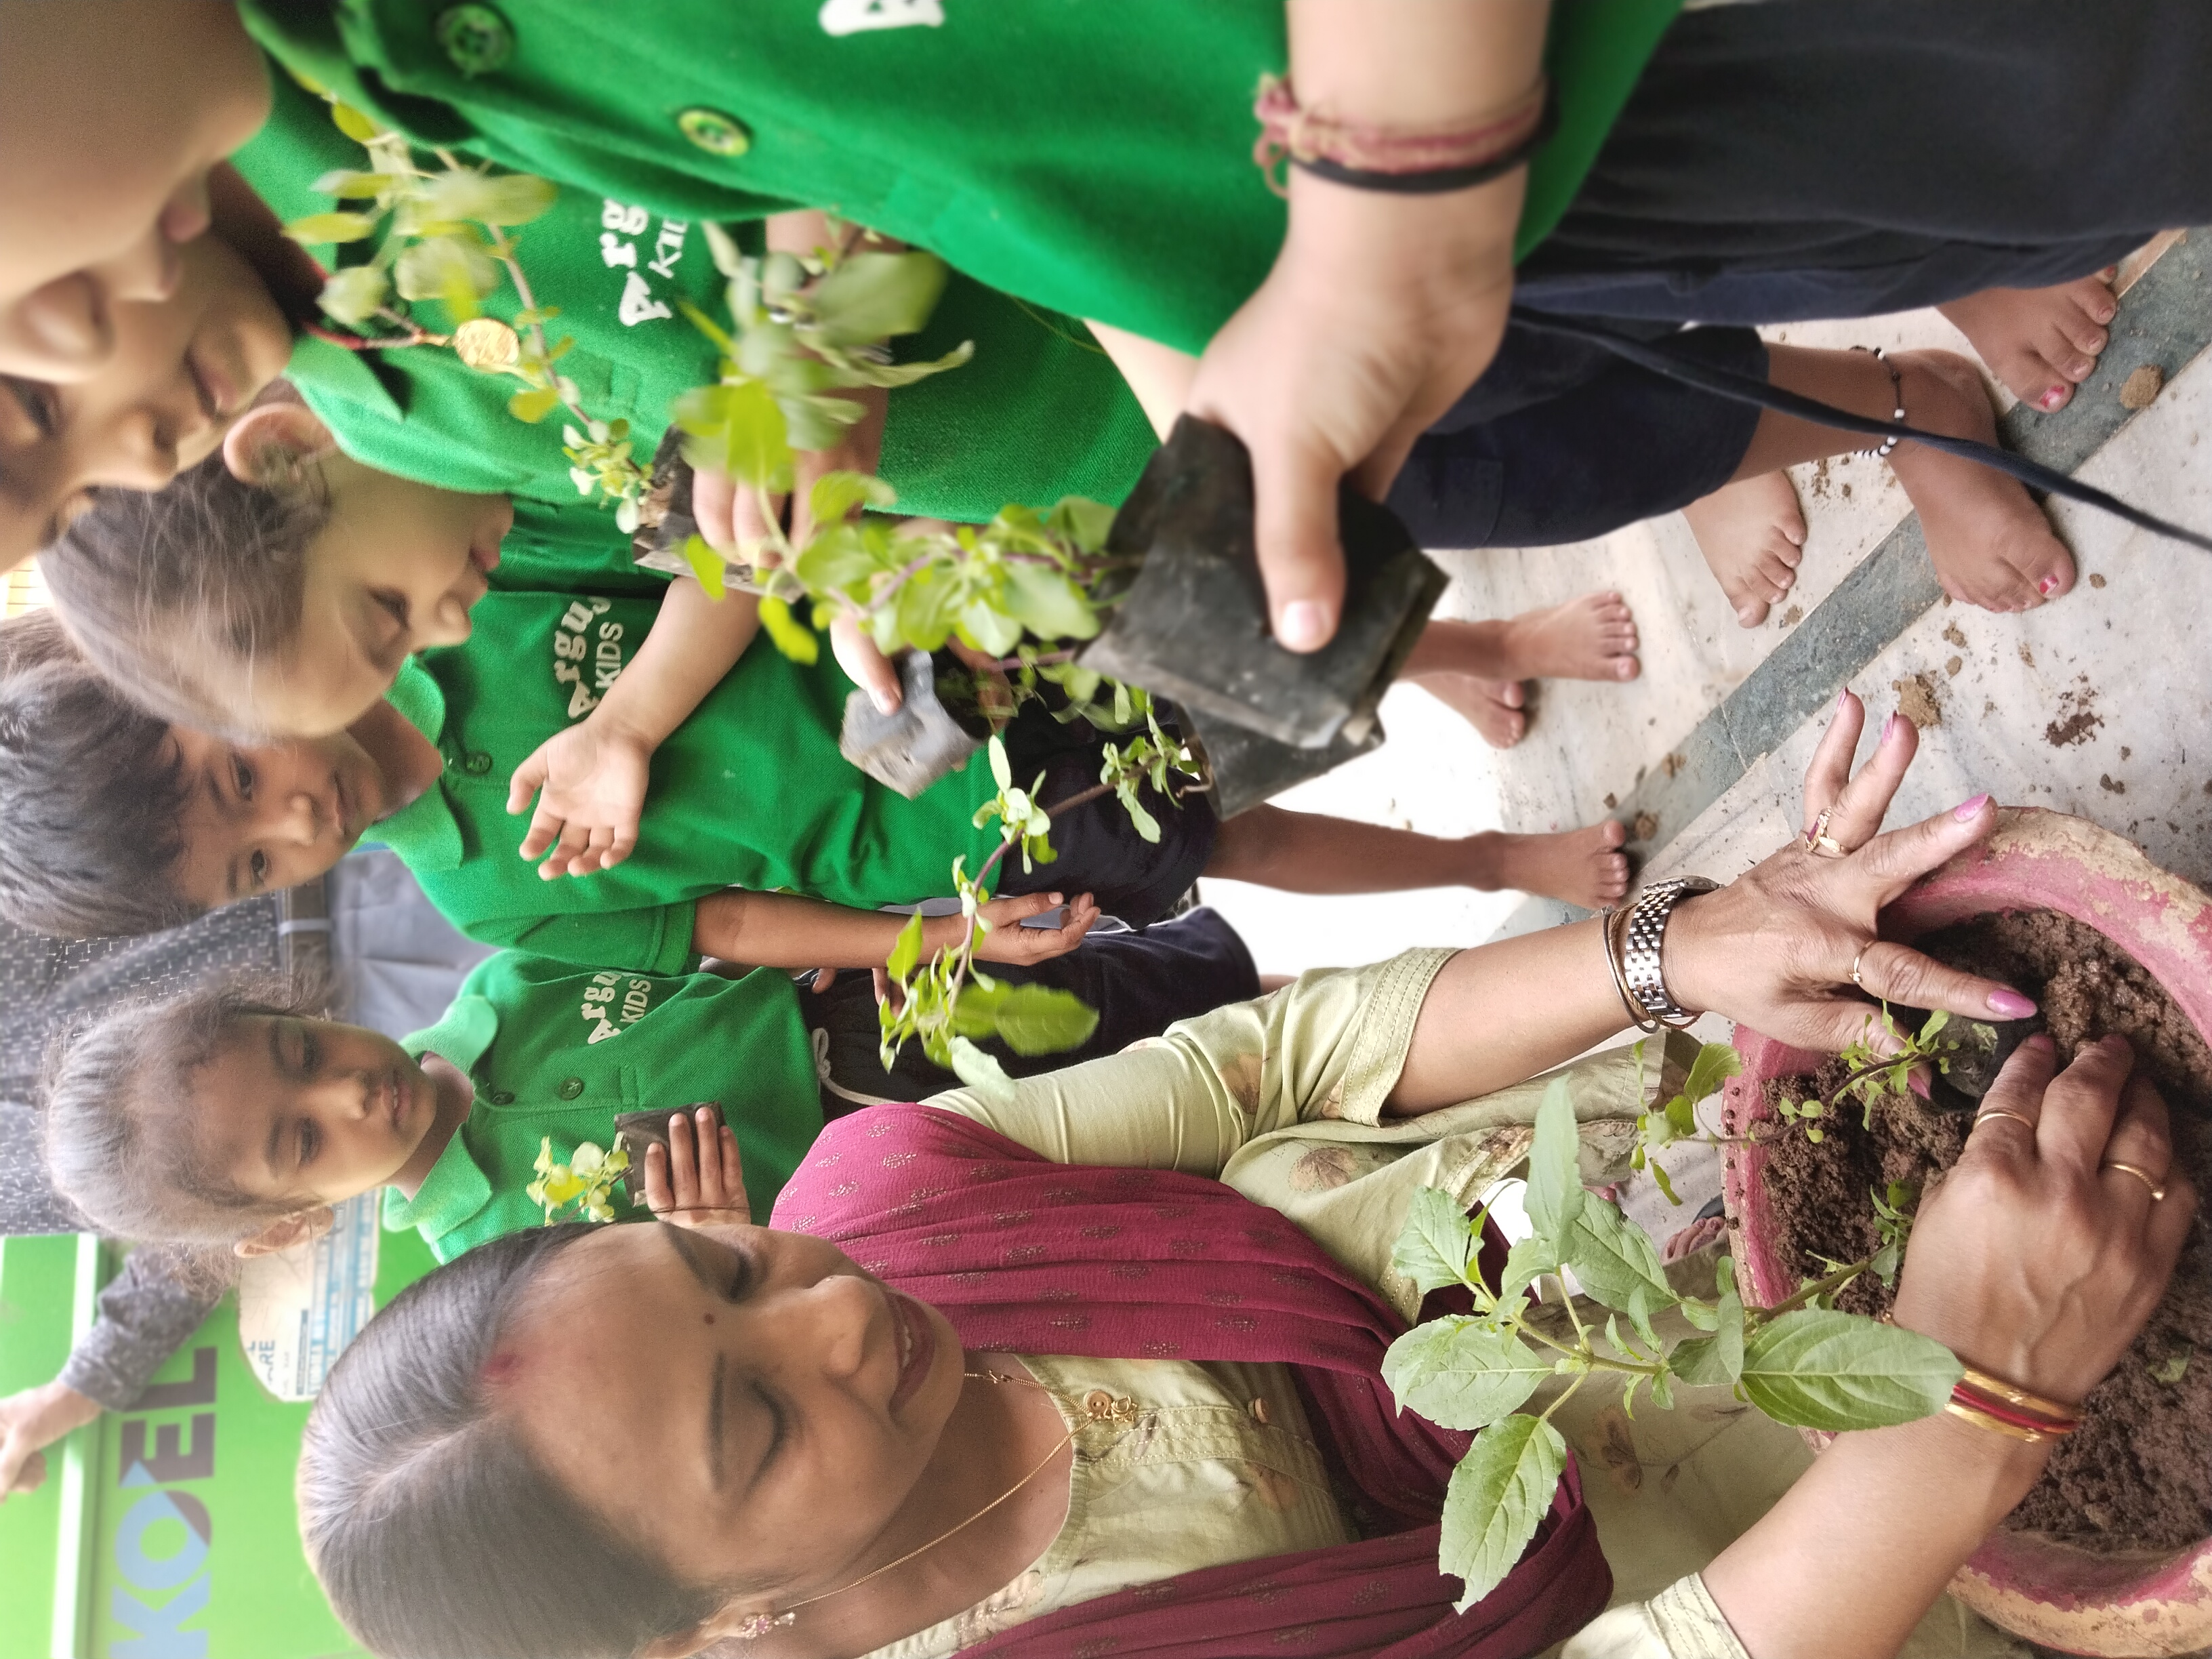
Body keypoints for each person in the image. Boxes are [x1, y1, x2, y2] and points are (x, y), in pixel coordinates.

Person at [292, 693, 2194, 1659]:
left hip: (1740, 1188)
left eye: (722, 1278)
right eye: (754, 1427)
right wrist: (1972, 1412)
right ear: (712, 1631)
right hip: (1884, 1573)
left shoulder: (883, 1205)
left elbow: (1273, 1062)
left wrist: (1673, 955)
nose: (827, 1312)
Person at [35, 423, 1637, 916]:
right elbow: (720, 920)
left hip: (958, 621)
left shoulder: (449, 572)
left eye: (243, 778)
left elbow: (717, 540)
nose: (299, 820)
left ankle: (1474, 644)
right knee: (1229, 823)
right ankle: (1496, 853)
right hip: (946, 824)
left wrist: (622, 723)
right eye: (252, 865)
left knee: (1235, 625)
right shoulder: (478, 895)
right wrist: (930, 928)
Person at [39, 954, 808, 1261]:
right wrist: (720, 1247)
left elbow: (702, 958)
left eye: (303, 1052)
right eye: (305, 1140)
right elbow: (732, 1317)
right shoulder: (501, 1263)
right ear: (284, 1224)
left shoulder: (503, 986)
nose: (351, 1092)